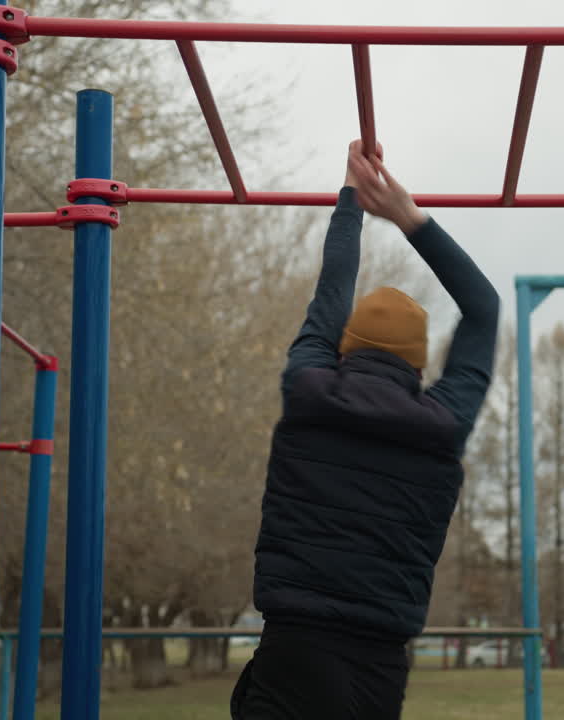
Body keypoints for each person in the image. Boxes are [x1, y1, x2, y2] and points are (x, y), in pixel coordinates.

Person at [230, 140, 500, 720]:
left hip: (293, 645)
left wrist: (354, 201)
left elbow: (332, 289)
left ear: (345, 347)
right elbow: (483, 309)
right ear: (419, 363)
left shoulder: (309, 390)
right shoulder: (443, 423)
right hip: (378, 665)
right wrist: (405, 216)